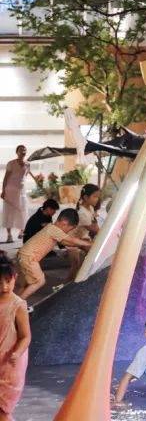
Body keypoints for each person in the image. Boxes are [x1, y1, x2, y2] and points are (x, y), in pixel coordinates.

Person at [16, 208, 91, 301]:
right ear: (64, 223)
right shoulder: (54, 230)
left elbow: (66, 242)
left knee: (24, 284)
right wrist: (90, 244)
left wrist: (81, 245)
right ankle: (17, 304)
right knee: (39, 281)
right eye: (69, 229)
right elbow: (71, 240)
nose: (67, 232)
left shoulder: (51, 228)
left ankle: (13, 303)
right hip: (29, 257)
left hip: (24, 255)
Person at [0, 252, 30, 421]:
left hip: (9, 364)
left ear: (15, 278)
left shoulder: (18, 305)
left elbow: (25, 336)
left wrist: (17, 353)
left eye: (8, 281)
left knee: (2, 410)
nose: (4, 287)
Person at [67, 184, 102, 282]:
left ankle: (83, 279)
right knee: (76, 267)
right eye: (95, 196)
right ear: (86, 197)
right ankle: (69, 284)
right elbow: (96, 229)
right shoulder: (82, 213)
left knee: (92, 254)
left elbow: (95, 227)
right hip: (73, 241)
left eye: (98, 197)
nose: (97, 199)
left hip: (82, 238)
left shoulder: (90, 208)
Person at [1, 146, 33, 244]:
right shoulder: (11, 163)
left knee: (23, 211)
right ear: (17, 152)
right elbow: (6, 178)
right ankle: (9, 235)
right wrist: (3, 191)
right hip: (10, 191)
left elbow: (24, 177)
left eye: (24, 150)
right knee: (9, 212)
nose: (23, 151)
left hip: (21, 192)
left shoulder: (28, 164)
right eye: (21, 150)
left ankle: (22, 231)